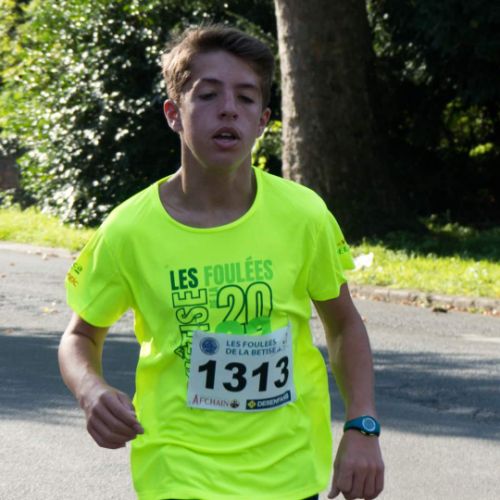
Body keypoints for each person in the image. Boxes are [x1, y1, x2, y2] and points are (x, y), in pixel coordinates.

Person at [58, 24, 384, 500]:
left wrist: (362, 424)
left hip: (288, 472)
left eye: (246, 98)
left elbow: (344, 325)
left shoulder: (303, 214)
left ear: (263, 120)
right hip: (178, 472)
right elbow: (79, 336)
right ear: (174, 114)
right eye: (208, 94)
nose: (229, 108)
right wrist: (91, 391)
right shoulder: (129, 229)